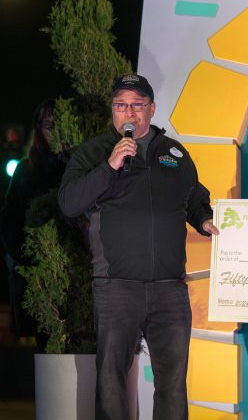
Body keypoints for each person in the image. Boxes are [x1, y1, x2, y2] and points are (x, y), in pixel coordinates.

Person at [58, 73, 218, 420]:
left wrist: (204, 219)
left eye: (136, 105)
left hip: (170, 289)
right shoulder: (95, 152)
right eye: (120, 105)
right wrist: (110, 165)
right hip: (117, 286)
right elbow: (69, 202)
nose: (128, 113)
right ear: (113, 111)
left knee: (173, 384)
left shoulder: (173, 152)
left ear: (151, 109)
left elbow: (194, 197)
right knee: (112, 380)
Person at [0, 99, 66, 348]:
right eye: (45, 124)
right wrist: (22, 258)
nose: (49, 128)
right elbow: (10, 219)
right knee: (46, 345)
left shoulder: (75, 167)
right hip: (38, 274)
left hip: (73, 272)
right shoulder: (26, 171)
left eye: (54, 123)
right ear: (38, 128)